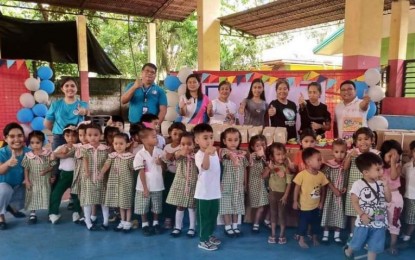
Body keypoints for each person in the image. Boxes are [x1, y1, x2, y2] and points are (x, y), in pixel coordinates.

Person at [344, 152, 391, 260]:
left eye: (381, 168)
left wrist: (386, 186)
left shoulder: (380, 183)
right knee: (357, 243)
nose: (381, 171)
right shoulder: (358, 184)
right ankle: (348, 250)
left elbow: (388, 199)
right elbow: (354, 202)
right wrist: (362, 214)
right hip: (364, 220)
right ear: (366, 172)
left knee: (375, 244)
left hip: (379, 217)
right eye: (378, 169)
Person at [293, 147, 340, 248]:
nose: (321, 162)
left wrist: (321, 202)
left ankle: (314, 238)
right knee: (303, 224)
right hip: (305, 206)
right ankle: (301, 239)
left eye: (321, 159)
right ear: (308, 162)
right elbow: (296, 189)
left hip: (316, 206)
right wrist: (294, 201)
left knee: (315, 223)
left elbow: (323, 190)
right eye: (318, 160)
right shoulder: (301, 175)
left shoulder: (321, 175)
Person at [343, 127, 380, 237]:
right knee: (354, 213)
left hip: (369, 190)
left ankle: (367, 236)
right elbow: (345, 168)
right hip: (355, 189)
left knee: (369, 212)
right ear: (355, 142)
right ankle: (353, 235)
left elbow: (378, 171)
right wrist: (349, 156)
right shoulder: (352, 153)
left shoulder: (375, 154)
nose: (363, 142)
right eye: (359, 139)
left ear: (372, 140)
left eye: (366, 139)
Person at [194, 123, 222, 251]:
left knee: (212, 216)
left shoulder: (215, 153)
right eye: (205, 138)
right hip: (203, 193)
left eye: (211, 137)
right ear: (197, 140)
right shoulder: (199, 155)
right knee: (204, 218)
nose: (209, 140)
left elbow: (217, 170)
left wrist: (219, 184)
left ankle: (209, 235)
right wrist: (206, 154)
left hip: (214, 192)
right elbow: (205, 167)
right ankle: (202, 240)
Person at [100, 133, 135, 233]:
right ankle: (122, 221)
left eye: (121, 143)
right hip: (115, 184)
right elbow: (106, 165)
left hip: (126, 184)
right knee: (120, 204)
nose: (118, 146)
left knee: (126, 204)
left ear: (127, 145)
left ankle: (128, 222)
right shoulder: (112, 156)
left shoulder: (129, 157)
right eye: (116, 143)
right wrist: (101, 173)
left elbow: (133, 170)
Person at [133, 127, 165, 236]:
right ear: (145, 140)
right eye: (154, 137)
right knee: (143, 206)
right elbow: (141, 171)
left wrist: (161, 163)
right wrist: (145, 188)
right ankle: (145, 224)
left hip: (157, 184)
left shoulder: (160, 152)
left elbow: (165, 168)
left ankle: (156, 223)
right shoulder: (140, 154)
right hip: (143, 186)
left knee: (156, 205)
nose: (156, 139)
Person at [166, 132, 198, 238]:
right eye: (183, 144)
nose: (186, 146)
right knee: (180, 205)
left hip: (193, 183)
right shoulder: (178, 154)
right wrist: (180, 152)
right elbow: (174, 156)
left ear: (195, 144)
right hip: (180, 183)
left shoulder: (197, 155)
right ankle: (178, 227)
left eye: (189, 144)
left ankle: (192, 227)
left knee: (191, 206)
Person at [0, 123, 31, 230]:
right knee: (3, 189)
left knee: (36, 187)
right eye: (12, 136)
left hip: (18, 187)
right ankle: (1, 217)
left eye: (20, 135)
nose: (17, 139)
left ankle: (12, 207)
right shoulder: (1, 153)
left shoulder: (28, 152)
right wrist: (8, 163)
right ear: (5, 138)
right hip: (3, 187)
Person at [49, 125, 82, 224]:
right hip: (63, 175)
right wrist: (58, 153)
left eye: (73, 135)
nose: (71, 138)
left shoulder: (79, 147)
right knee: (56, 193)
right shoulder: (61, 147)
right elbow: (52, 157)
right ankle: (53, 213)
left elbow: (70, 154)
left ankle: (77, 212)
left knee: (76, 194)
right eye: (68, 135)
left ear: (77, 136)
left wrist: (61, 155)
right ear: (64, 136)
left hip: (76, 174)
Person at [44, 77, 89, 150]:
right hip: (59, 138)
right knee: (57, 159)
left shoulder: (83, 104)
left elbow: (88, 113)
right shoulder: (56, 105)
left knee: (77, 159)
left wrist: (84, 111)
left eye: (72, 86)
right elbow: (47, 123)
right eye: (66, 86)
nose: (70, 88)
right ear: (62, 89)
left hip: (77, 136)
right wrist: (58, 131)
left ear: (76, 88)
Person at [80, 123, 110, 231]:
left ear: (101, 135)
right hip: (88, 178)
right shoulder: (84, 148)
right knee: (88, 200)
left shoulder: (106, 149)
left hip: (102, 178)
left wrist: (102, 173)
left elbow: (108, 162)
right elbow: (85, 159)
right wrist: (87, 171)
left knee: (103, 200)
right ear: (86, 136)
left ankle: (105, 222)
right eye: (90, 135)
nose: (93, 137)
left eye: (96, 135)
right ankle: (88, 221)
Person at [219, 128, 248, 238]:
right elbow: (226, 156)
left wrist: (245, 183)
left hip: (238, 185)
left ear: (239, 140)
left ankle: (235, 226)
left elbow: (245, 168)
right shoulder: (223, 151)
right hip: (226, 184)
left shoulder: (242, 154)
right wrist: (232, 157)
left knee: (237, 206)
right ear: (224, 141)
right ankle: (227, 227)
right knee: (226, 206)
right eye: (230, 140)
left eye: (236, 140)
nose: (233, 142)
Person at [262, 142, 293, 245]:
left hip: (282, 196)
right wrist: (269, 168)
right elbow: (263, 176)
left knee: (281, 215)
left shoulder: (286, 168)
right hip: (272, 194)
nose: (281, 156)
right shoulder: (270, 166)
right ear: (272, 156)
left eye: (283, 154)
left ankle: (282, 235)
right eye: (278, 154)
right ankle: (273, 234)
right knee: (273, 214)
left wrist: (285, 196)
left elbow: (289, 184)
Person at [22, 131, 56, 224]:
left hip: (45, 180)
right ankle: (33, 214)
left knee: (47, 195)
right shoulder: (28, 156)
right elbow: (26, 169)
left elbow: (52, 165)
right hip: (33, 181)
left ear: (42, 142)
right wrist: (27, 180)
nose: (35, 145)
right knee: (33, 196)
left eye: (38, 142)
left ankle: (50, 213)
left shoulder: (48, 154)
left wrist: (49, 172)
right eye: (32, 143)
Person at [321, 139, 347, 243]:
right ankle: (325, 234)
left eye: (342, 152)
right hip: (330, 193)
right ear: (332, 152)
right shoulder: (329, 165)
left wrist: (344, 186)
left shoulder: (346, 165)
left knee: (340, 213)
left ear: (346, 152)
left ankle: (337, 235)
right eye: (336, 152)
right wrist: (334, 189)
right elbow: (325, 178)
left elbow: (346, 177)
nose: (339, 155)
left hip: (340, 194)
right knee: (327, 212)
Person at [380, 140, 403, 255]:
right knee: (379, 220)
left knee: (393, 221)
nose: (393, 157)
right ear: (383, 155)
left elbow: (393, 177)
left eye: (396, 155)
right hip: (380, 198)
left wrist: (393, 163)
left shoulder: (398, 166)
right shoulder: (379, 167)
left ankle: (393, 244)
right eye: (390, 155)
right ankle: (379, 242)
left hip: (395, 197)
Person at [162, 122, 186, 230]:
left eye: (180, 135)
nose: (177, 137)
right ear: (170, 133)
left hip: (181, 176)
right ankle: (168, 218)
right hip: (169, 175)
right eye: (175, 134)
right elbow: (164, 160)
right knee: (168, 197)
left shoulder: (184, 147)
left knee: (179, 199)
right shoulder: (166, 146)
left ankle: (178, 221)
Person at [247, 134, 268, 233]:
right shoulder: (253, 156)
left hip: (262, 183)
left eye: (263, 145)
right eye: (258, 145)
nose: (261, 147)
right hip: (254, 184)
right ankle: (255, 223)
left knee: (263, 205)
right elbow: (257, 158)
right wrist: (261, 156)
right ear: (252, 147)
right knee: (257, 206)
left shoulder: (264, 157)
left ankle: (258, 222)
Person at [402, 140, 415, 242]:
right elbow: (402, 177)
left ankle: (408, 235)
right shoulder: (406, 166)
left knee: (412, 218)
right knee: (407, 215)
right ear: (411, 152)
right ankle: (406, 233)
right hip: (408, 195)